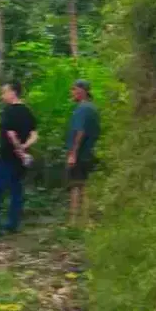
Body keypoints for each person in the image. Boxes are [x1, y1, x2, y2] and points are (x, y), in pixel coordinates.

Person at [0, 80, 38, 235]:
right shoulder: (27, 111)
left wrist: (19, 149)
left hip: (8, 157)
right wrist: (24, 148)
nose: (2, 95)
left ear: (13, 93)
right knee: (16, 190)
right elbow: (34, 134)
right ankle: (13, 224)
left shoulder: (9, 111)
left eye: (4, 92)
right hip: (20, 160)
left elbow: (11, 134)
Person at [66, 79, 100, 226]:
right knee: (85, 185)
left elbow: (80, 131)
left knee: (76, 185)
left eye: (74, 89)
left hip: (80, 153)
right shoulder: (93, 108)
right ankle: (86, 221)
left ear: (82, 91)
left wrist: (73, 153)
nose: (72, 93)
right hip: (89, 152)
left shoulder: (82, 109)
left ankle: (74, 221)